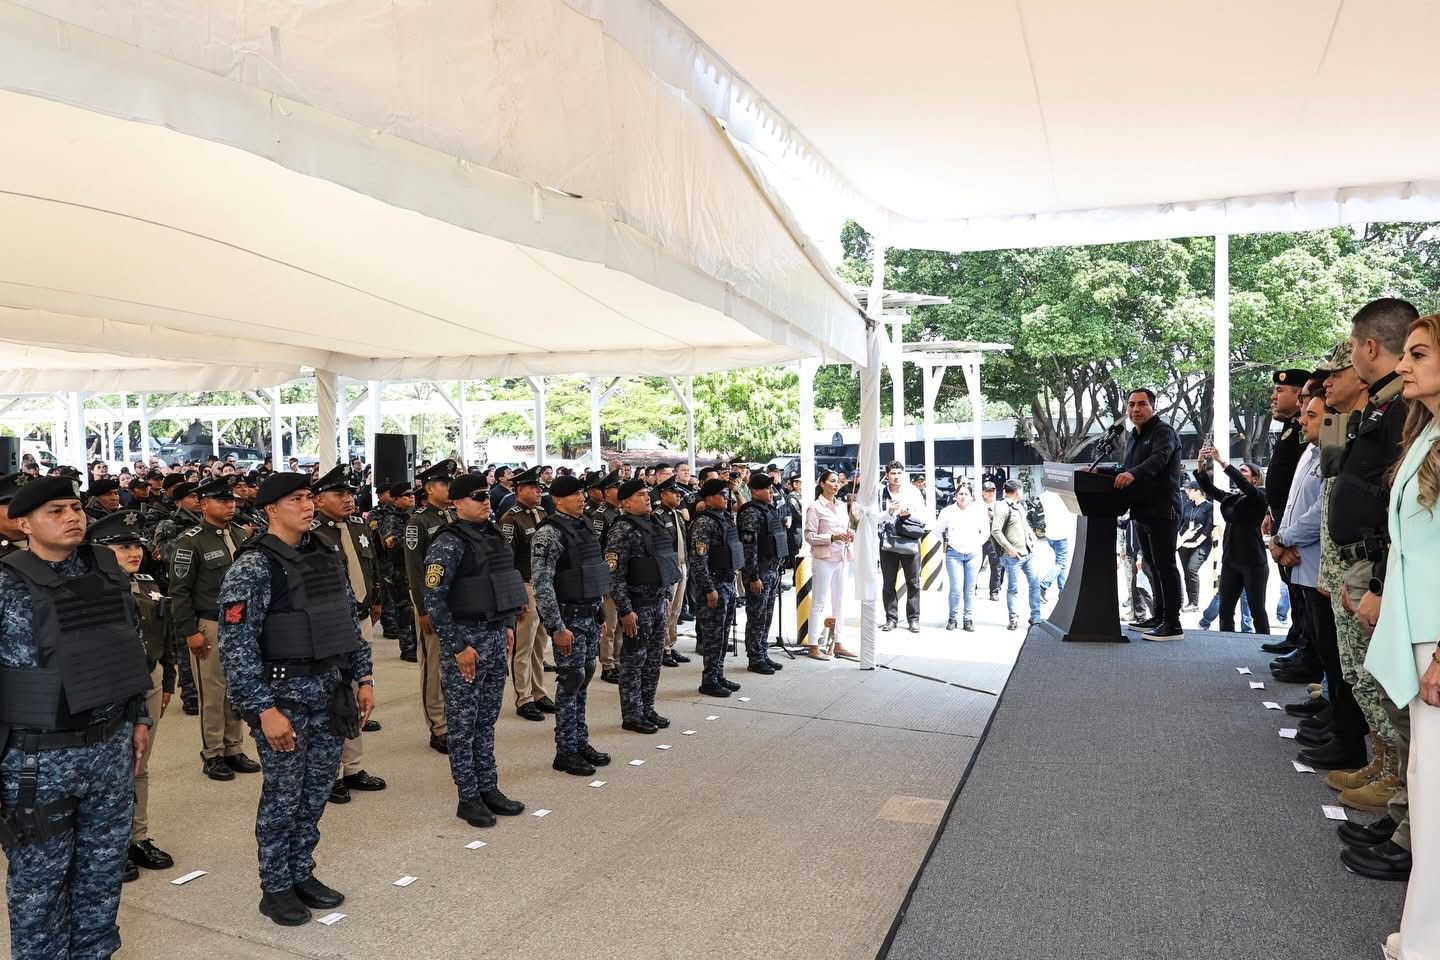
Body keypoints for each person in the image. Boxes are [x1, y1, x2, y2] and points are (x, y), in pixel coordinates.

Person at [0, 478, 153, 960]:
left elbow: (129, 647)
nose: (72, 517)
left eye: (74, 508)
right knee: (39, 891)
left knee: (101, 878)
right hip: (37, 762)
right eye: (55, 511)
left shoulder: (105, 572)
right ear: (23, 524)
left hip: (108, 748)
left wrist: (139, 715)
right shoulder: (6, 584)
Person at [216, 472, 374, 926]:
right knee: (283, 798)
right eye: (295, 500)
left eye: (309, 498)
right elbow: (237, 646)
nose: (307, 506)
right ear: (270, 509)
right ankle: (276, 887)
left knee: (315, 793)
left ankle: (302, 871)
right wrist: (264, 710)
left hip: (330, 694)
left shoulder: (326, 554)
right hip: (283, 702)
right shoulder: (253, 566)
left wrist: (364, 678)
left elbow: (348, 619)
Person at [1364, 311, 1440, 958]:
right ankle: (1421, 934)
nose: (1402, 364)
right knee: (1429, 789)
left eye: (1418, 354)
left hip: (1437, 639)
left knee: (1437, 801)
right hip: (1419, 632)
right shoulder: (1428, 433)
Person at [422, 473, 526, 827]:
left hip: (495, 635)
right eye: (477, 496)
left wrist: (509, 627)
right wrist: (457, 647)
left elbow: (506, 585)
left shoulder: (494, 536)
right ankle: (468, 796)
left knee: (487, 720)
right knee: (463, 726)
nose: (485, 501)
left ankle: (488, 787)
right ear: (457, 503)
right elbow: (433, 599)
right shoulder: (447, 542)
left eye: (487, 495)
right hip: (466, 641)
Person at [86, 509, 179, 882]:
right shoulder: (90, 588)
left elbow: (164, 632)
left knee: (140, 763)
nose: (134, 552)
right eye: (123, 546)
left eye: (136, 545)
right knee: (110, 769)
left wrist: (169, 678)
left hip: (149, 677)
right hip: (107, 686)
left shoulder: (146, 582)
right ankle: (108, 843)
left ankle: (136, 838)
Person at [170, 477, 259, 780]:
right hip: (210, 622)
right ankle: (213, 753)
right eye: (222, 501)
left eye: (232, 500)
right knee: (212, 692)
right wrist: (190, 632)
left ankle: (234, 747)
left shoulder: (240, 534)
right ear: (204, 504)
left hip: (242, 623)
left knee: (236, 687)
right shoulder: (190, 540)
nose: (231, 505)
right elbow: (179, 591)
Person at [308, 466, 387, 805]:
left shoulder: (358, 527)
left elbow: (373, 567)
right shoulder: (311, 534)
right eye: (339, 494)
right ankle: (331, 775)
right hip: (328, 626)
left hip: (361, 617)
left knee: (358, 691)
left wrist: (377, 598)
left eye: (350, 493)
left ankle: (353, 766)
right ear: (319, 498)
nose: (348, 499)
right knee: (331, 696)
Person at [531, 475, 612, 777]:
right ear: (558, 499)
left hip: (588, 614)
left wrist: (601, 614)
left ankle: (579, 740)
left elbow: (593, 573)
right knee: (570, 682)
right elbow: (542, 584)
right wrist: (556, 627)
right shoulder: (549, 533)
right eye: (575, 494)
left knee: (585, 677)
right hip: (568, 619)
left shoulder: (584, 525)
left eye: (582, 493)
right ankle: (565, 750)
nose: (581, 498)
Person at [607, 477, 682, 732]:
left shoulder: (655, 522)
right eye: (640, 494)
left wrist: (666, 596)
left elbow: (664, 560)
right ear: (626, 502)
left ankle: (647, 708)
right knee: (633, 662)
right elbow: (615, 575)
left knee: (653, 659)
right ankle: (632, 714)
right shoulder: (622, 529)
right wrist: (625, 611)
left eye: (647, 493)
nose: (647, 497)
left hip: (658, 601)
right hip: (637, 606)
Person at [1114, 387, 1185, 641]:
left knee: (1165, 566)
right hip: (1141, 510)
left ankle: (1173, 623)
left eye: (1142, 404)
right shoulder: (1133, 435)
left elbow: (1159, 458)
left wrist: (1132, 474)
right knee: (1150, 565)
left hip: (1163, 510)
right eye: (1131, 404)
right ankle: (1159, 615)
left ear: (1153, 406)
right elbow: (1128, 466)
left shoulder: (1163, 432)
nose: (1136, 409)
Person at [404, 459, 458, 754]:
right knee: (433, 665)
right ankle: (438, 725)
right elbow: (414, 569)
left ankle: (453, 718)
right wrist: (422, 608)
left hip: (456, 603)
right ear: (428, 488)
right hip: (433, 604)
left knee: (454, 663)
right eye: (443, 484)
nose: (449, 489)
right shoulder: (418, 522)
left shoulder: (453, 515)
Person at [496, 467, 557, 722]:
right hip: (525, 586)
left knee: (540, 644)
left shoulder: (542, 513)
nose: (539, 491)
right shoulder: (511, 519)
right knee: (523, 646)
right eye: (533, 487)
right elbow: (506, 560)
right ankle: (524, 697)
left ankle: (539, 691)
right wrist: (514, 597)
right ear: (519, 490)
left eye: (539, 487)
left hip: (544, 586)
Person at [1194, 449, 1270, 634]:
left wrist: (1221, 461)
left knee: (1257, 609)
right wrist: (1200, 464)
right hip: (1231, 560)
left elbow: (1244, 485)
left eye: (1244, 470)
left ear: (1254, 478)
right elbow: (1210, 490)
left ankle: (1265, 644)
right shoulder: (1234, 498)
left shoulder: (1260, 496)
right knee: (1225, 610)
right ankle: (1227, 644)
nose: (1239, 472)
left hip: (1253, 562)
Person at [689, 478, 744, 696]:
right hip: (713, 584)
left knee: (723, 633)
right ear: (709, 498)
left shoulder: (725, 518)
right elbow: (699, 560)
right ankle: (709, 680)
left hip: (727, 581)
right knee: (713, 635)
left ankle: (718, 674)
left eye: (726, 494)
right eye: (722, 495)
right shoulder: (703, 523)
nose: (726, 498)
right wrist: (709, 588)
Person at [736, 472, 788, 672]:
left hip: (772, 569)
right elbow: (749, 548)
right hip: (760, 571)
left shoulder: (768, 509)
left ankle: (762, 652)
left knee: (766, 615)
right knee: (757, 616)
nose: (771, 492)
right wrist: (753, 576)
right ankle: (755, 657)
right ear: (754, 491)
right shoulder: (750, 512)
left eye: (771, 488)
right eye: (767, 489)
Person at [803, 469, 854, 659]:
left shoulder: (841, 505)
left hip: (841, 556)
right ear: (822, 484)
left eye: (837, 482)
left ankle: (838, 642)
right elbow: (809, 536)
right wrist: (832, 537)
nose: (835, 484)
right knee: (819, 602)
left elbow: (845, 528)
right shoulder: (815, 507)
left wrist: (849, 536)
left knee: (840, 602)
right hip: (824, 558)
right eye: (831, 481)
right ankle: (813, 645)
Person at [878, 461, 931, 633]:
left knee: (913, 582)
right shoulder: (880, 492)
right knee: (888, 583)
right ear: (887, 475)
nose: (896, 476)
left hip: (909, 540)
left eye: (899, 473)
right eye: (893, 473)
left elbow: (924, 517)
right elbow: (872, 518)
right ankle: (891, 618)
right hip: (888, 541)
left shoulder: (913, 492)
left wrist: (910, 513)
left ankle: (913, 619)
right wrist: (889, 512)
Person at [934, 482, 989, 631]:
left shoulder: (978, 511)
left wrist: (976, 544)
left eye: (966, 494)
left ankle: (968, 619)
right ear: (955, 496)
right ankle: (952, 618)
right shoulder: (947, 511)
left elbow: (985, 532)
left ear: (971, 497)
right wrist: (948, 543)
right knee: (956, 588)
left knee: (969, 589)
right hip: (954, 554)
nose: (963, 496)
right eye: (960, 494)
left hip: (974, 554)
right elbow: (938, 531)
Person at [991, 480, 1042, 631]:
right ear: (1017, 491)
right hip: (1013, 556)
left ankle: (1036, 616)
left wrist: (1031, 535)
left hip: (1027, 554)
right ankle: (1013, 618)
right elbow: (996, 531)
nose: (1022, 492)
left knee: (1034, 584)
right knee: (1013, 589)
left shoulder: (1019, 506)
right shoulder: (1002, 506)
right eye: (1021, 490)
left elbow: (1024, 525)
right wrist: (1009, 548)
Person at [653, 478, 692, 668]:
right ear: (662, 495)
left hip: (682, 564)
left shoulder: (677, 514)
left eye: (678, 493)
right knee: (666, 609)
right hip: (669, 567)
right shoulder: (657, 516)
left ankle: (670, 644)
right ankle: (661, 648)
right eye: (673, 493)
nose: (678, 496)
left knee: (676, 609)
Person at [1176, 481, 1213, 611]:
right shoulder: (1187, 506)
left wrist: (1197, 542)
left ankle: (1194, 603)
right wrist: (1180, 540)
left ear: (1198, 491)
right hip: (1184, 543)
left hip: (1201, 544)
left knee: (1192, 569)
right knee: (1186, 572)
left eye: (1190, 490)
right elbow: (1180, 523)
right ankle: (1190, 602)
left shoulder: (1209, 507)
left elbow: (1209, 526)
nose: (1187, 492)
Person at [979, 481, 1005, 600]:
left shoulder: (999, 505)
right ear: (983, 492)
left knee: (996, 567)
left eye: (993, 491)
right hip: (979, 540)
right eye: (988, 491)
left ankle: (994, 591)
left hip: (995, 540)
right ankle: (971, 587)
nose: (990, 493)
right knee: (975, 565)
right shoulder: (976, 506)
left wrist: (993, 516)